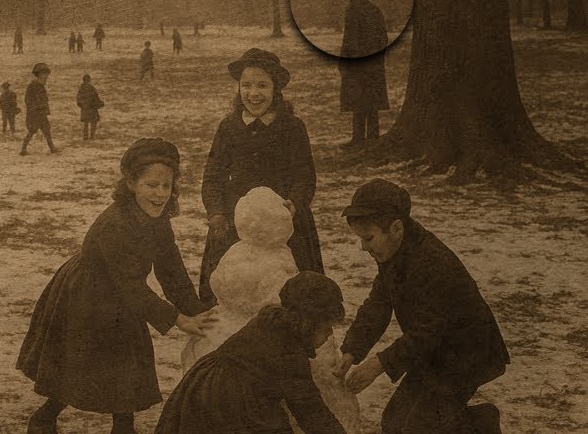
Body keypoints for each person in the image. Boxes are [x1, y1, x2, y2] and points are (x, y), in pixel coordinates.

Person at [18, 138, 214, 434]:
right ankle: (44, 418)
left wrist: (200, 312)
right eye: (151, 185)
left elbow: (171, 272)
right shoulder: (116, 225)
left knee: (127, 362)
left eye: (166, 186)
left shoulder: (159, 219)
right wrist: (178, 319)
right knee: (79, 363)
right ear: (132, 183)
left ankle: (123, 426)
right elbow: (131, 286)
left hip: (123, 297)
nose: (160, 194)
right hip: (87, 296)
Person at [335, 180, 508, 434]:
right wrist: (352, 350)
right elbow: (378, 304)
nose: (363, 247)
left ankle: (482, 426)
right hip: (433, 353)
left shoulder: (432, 263)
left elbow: (430, 331)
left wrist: (379, 364)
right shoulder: (394, 251)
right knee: (394, 423)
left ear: (396, 228)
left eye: (368, 238)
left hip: (468, 355)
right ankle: (475, 422)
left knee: (417, 427)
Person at [199, 48, 322, 305]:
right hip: (236, 223)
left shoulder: (292, 127)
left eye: (262, 85)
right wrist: (216, 213)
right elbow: (212, 177)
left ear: (276, 90)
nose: (253, 94)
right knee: (232, 294)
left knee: (289, 296)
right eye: (246, 85)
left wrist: (294, 204)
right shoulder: (228, 127)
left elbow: (305, 177)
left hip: (284, 223)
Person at [155, 271, 348, 434]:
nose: (329, 333)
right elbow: (311, 411)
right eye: (326, 326)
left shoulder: (272, 322)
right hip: (229, 403)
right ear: (309, 323)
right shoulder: (289, 348)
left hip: (208, 387)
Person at [339, 0, 390, 147]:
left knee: (358, 100)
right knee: (372, 100)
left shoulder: (352, 10)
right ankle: (373, 137)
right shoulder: (374, 9)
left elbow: (349, 39)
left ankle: (358, 139)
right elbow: (384, 38)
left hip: (357, 62)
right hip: (374, 63)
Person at [20, 63, 57, 155]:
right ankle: (23, 149)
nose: (46, 76)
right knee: (32, 131)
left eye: (46, 74)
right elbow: (27, 100)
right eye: (43, 74)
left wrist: (45, 109)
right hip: (35, 114)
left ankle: (52, 148)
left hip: (42, 113)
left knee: (47, 130)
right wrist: (36, 108)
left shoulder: (41, 86)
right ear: (38, 74)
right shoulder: (32, 86)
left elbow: (44, 100)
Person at [76, 74, 104, 140]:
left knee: (86, 123)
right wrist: (100, 104)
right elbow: (96, 97)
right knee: (93, 122)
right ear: (89, 80)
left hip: (85, 109)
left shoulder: (81, 89)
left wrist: (82, 106)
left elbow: (78, 99)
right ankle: (92, 136)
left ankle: (85, 136)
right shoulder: (92, 88)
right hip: (92, 108)